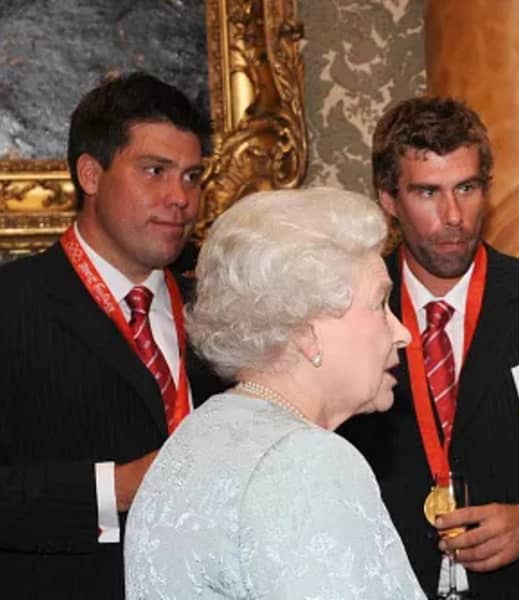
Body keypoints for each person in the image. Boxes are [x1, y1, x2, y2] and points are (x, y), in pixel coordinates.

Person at [337, 97, 519, 599]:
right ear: (388, 199)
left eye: (466, 188)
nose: (453, 216)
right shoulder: (345, 307)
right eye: (428, 192)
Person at [124, 187, 425, 598]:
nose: (403, 333)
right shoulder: (305, 462)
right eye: (380, 303)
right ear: (306, 331)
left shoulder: (197, 436)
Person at [0, 72, 223, 598]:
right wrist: (114, 489)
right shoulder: (12, 305)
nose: (180, 199)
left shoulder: (219, 303)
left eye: (192, 177)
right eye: (155, 171)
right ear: (91, 174)